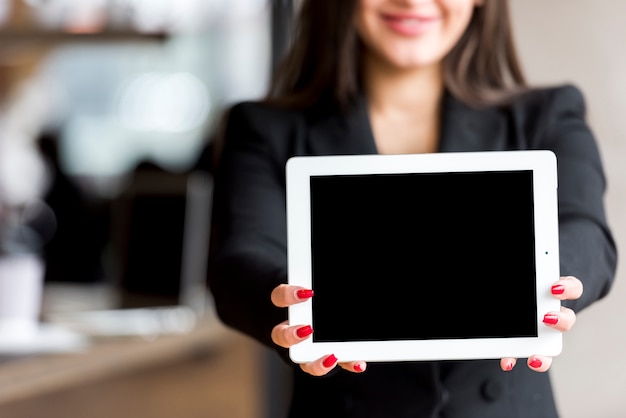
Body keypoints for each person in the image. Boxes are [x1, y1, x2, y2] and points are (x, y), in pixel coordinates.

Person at [208, 0, 618, 417]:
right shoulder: (262, 128)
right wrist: (297, 305)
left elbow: (584, 228)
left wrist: (543, 284)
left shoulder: (547, 115)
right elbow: (241, 257)